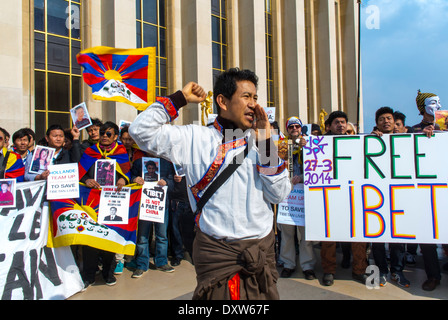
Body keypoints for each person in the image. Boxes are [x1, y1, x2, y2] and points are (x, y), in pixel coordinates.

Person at [129, 68, 291, 300]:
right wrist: (180, 98)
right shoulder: (195, 138)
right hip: (217, 253)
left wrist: (266, 143)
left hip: (261, 251)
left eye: (255, 98)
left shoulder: (261, 143)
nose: (253, 105)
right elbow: (140, 131)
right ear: (222, 101)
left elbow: (279, 194)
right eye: (246, 96)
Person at [78, 121, 131, 288]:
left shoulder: (121, 152)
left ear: (115, 136)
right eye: (102, 133)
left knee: (109, 237)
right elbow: (80, 173)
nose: (104, 137)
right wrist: (87, 180)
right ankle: (88, 275)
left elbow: (127, 173)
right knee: (90, 239)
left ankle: (108, 273)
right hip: (91, 201)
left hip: (112, 201)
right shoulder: (90, 151)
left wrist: (124, 179)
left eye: (109, 134)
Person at [319, 111, 368, 286]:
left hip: (354, 194)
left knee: (358, 235)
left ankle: (359, 270)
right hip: (330, 196)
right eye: (337, 122)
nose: (340, 125)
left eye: (343, 122)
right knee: (329, 236)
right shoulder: (319, 144)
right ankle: (329, 270)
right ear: (329, 126)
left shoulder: (357, 142)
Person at [370, 106, 411, 288]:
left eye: (389, 118)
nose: (386, 122)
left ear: (394, 122)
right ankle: (382, 270)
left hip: (398, 195)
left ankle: (397, 270)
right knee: (377, 238)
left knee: (397, 238)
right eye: (382, 119)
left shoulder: (407, 141)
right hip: (375, 197)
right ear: (377, 123)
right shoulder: (370, 140)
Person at [411, 91, 445, 291]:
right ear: (423, 108)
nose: (438, 107)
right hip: (424, 191)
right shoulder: (414, 130)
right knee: (427, 236)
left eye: (439, 103)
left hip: (444, 188)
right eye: (433, 103)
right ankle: (433, 275)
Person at [277, 116, 317, 280]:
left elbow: (318, 164)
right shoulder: (281, 145)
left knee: (305, 233)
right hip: (287, 194)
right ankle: (288, 264)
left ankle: (307, 266)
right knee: (287, 232)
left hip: (305, 193)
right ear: (287, 129)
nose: (294, 129)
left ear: (301, 128)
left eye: (297, 126)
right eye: (291, 127)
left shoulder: (311, 143)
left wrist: (307, 147)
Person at [129, 154, 175, 278]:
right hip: (145, 204)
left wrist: (167, 182)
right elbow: (130, 176)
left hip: (161, 205)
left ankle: (162, 262)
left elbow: (172, 182)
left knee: (162, 235)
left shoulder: (166, 163)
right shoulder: (139, 162)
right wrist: (134, 179)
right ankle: (142, 264)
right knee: (143, 236)